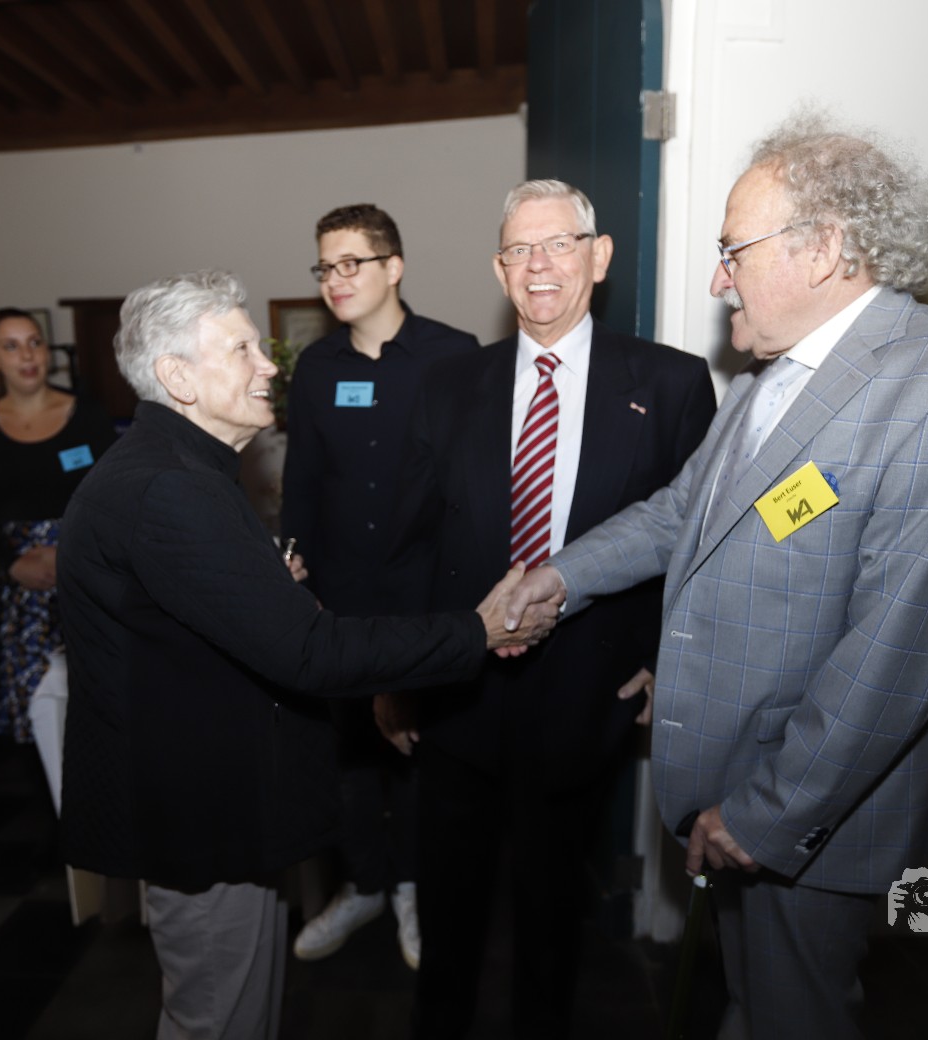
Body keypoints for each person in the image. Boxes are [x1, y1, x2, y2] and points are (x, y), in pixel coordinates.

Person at [501, 114, 928, 1038]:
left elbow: (898, 648)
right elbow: (681, 515)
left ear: (822, 248)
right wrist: (558, 578)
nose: (718, 280)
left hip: (812, 808)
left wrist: (766, 814)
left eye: (732, 252)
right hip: (732, 785)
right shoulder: (765, 381)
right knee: (754, 1007)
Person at [55, 270, 560, 1040]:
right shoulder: (171, 489)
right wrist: (478, 629)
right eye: (242, 350)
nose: (268, 365)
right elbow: (310, 652)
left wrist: (266, 592)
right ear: (178, 378)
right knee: (217, 1022)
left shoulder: (179, 471)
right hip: (201, 820)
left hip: (210, 805)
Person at [378, 180, 715, 1040]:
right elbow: (412, 542)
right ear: (499, 270)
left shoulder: (672, 384)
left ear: (598, 258)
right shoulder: (447, 383)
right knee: (449, 905)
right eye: (519, 250)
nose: (539, 265)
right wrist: (398, 672)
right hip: (456, 689)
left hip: (587, 689)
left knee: (554, 906)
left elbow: (695, 542)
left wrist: (661, 657)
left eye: (559, 244)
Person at [281, 203, 480, 970]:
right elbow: (302, 482)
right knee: (350, 757)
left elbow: (473, 489)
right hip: (338, 599)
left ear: (393, 267)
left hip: (427, 594)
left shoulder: (454, 356)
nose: (335, 280)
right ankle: (364, 884)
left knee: (420, 754)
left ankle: (414, 890)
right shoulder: (317, 368)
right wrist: (294, 572)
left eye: (351, 263)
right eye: (325, 267)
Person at [0, 307, 115, 810]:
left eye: (35, 342)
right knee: (29, 710)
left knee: (95, 703)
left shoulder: (87, 414)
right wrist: (14, 563)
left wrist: (71, 551)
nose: (27, 355)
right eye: (12, 345)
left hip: (83, 574)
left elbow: (113, 498)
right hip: (11, 584)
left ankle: (101, 816)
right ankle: (50, 820)